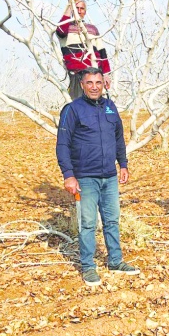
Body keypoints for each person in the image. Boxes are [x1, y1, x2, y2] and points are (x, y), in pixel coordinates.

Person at [56, 67, 140, 286]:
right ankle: (88, 266)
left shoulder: (110, 107)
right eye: (89, 83)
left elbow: (118, 138)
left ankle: (115, 260)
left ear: (104, 84)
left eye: (98, 83)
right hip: (85, 178)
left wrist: (123, 164)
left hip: (109, 177)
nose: (94, 87)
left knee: (112, 220)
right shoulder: (72, 110)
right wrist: (68, 175)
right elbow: (62, 144)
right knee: (88, 224)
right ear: (82, 85)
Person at [56, 0, 112, 100]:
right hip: (78, 76)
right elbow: (60, 31)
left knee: (99, 110)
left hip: (95, 75)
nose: (79, 11)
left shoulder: (92, 29)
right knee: (78, 109)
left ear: (85, 12)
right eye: (76, 8)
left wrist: (106, 74)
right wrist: (70, 4)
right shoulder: (66, 28)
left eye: (82, 8)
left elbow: (102, 52)